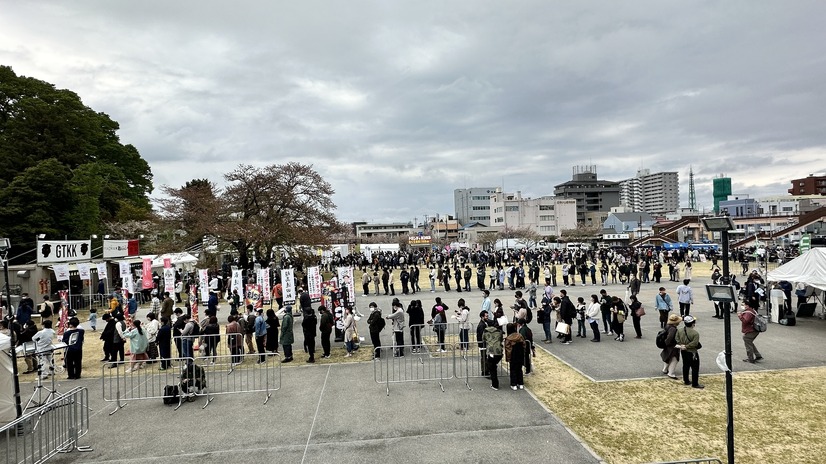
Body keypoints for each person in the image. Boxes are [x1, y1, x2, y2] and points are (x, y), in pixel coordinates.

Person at [675, 315, 703, 389]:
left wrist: (682, 345)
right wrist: (687, 346)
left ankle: (686, 380)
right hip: (692, 352)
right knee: (695, 367)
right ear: (692, 323)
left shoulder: (680, 330)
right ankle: (695, 383)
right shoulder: (695, 333)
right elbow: (695, 343)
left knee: (685, 365)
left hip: (683, 351)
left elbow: (676, 339)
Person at [738, 299, 764, 363]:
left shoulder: (748, 313)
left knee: (747, 342)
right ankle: (758, 355)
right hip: (754, 329)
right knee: (749, 342)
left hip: (751, 330)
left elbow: (745, 321)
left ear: (747, 305)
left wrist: (740, 316)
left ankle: (751, 358)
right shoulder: (752, 311)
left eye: (743, 305)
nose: (742, 306)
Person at [483, 320, 504, 390]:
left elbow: (483, 339)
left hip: (491, 351)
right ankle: (495, 383)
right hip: (499, 351)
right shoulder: (499, 331)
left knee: (492, 368)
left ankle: (495, 384)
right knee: (493, 366)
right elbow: (501, 339)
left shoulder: (485, 332)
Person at [504, 323, 525, 391]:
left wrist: (508, 358)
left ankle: (514, 384)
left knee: (513, 370)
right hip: (520, 354)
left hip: (513, 355)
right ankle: (521, 383)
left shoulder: (509, 338)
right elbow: (524, 345)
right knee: (519, 369)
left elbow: (508, 349)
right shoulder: (520, 336)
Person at [660, 313, 682, 379]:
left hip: (668, 346)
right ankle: (671, 373)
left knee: (668, 358)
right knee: (674, 359)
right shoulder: (673, 329)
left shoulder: (667, 326)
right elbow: (670, 337)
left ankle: (665, 369)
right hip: (672, 345)